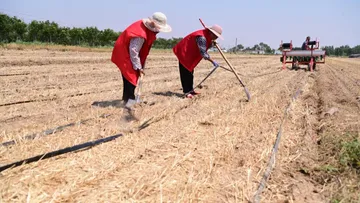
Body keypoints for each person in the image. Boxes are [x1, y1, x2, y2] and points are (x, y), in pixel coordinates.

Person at [111, 12, 172, 108]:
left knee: (129, 77)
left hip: (127, 51)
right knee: (131, 77)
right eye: (159, 28)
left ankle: (126, 99)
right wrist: (138, 67)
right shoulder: (140, 34)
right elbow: (134, 51)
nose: (159, 31)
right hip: (124, 52)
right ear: (153, 24)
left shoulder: (145, 28)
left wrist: (141, 66)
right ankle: (129, 102)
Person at [173, 23, 223, 98]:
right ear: (211, 33)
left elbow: (206, 45)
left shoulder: (206, 36)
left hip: (190, 54)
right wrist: (213, 61)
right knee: (185, 73)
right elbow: (204, 54)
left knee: (190, 73)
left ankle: (191, 90)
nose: (216, 38)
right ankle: (187, 92)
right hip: (184, 52)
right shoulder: (202, 37)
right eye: (216, 36)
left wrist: (212, 44)